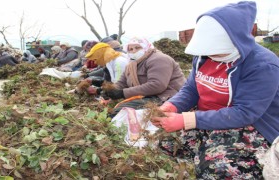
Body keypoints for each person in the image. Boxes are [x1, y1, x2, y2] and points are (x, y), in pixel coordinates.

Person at [151, 1, 279, 179]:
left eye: (216, 53)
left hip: (251, 125)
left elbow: (245, 113)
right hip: (208, 116)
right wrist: (173, 106)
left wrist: (187, 119)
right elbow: (191, 89)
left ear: (235, 42)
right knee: (165, 144)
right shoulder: (204, 56)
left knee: (216, 168)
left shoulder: (263, 65)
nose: (211, 56)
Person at [103, 37, 186, 116]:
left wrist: (123, 93)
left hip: (167, 97)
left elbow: (157, 85)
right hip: (149, 96)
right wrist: (110, 90)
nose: (134, 51)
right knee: (118, 110)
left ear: (146, 46)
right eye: (131, 49)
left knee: (121, 111)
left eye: (137, 47)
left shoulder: (158, 59)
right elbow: (122, 82)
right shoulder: (131, 64)